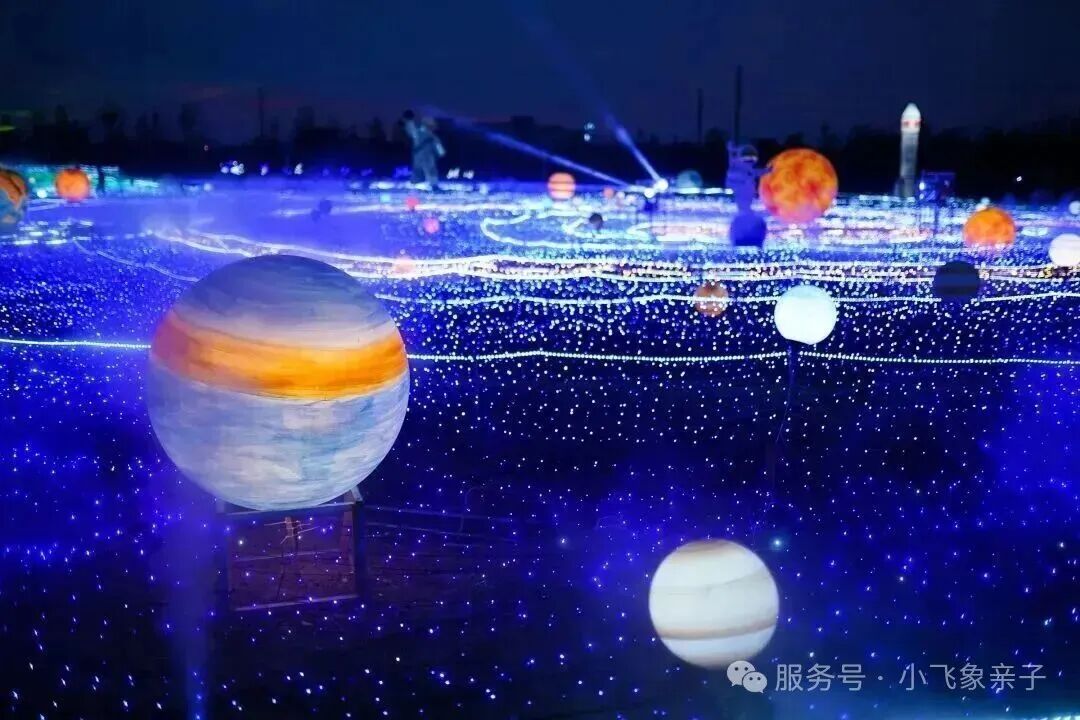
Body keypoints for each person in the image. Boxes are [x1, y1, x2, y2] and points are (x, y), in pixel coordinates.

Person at [403, 111, 445, 189]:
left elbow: (410, 130)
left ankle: (415, 183)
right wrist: (440, 153)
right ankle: (433, 184)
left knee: (418, 171)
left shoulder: (418, 132)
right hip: (427, 157)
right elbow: (439, 149)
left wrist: (409, 121)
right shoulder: (432, 136)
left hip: (418, 156)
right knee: (430, 170)